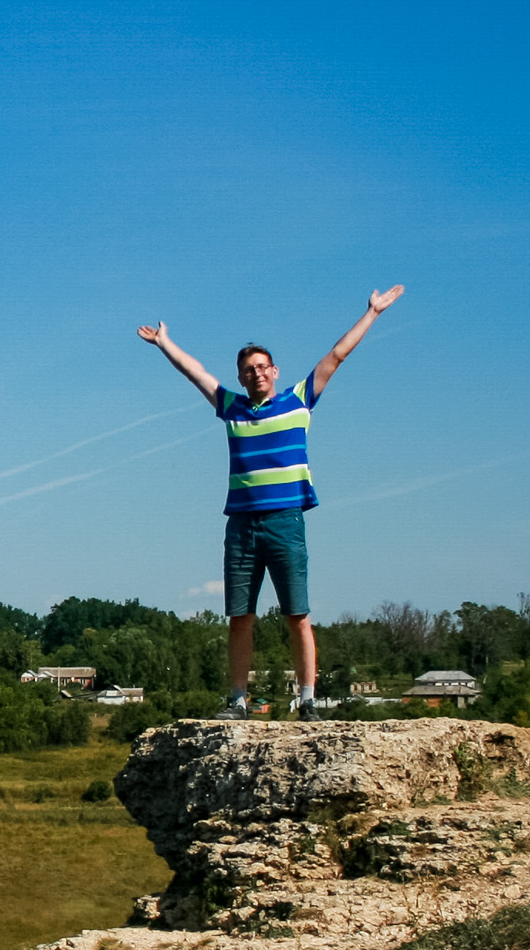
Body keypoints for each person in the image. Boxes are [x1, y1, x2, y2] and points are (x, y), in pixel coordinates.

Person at [138, 286, 404, 718]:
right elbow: (196, 373)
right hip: (241, 526)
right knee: (240, 617)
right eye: (248, 369)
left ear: (275, 371)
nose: (257, 374)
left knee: (297, 615)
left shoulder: (298, 400)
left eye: (262, 367)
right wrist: (165, 343)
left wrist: (371, 313)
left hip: (285, 521)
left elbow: (336, 356)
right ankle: (239, 701)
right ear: (241, 377)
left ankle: (307, 701)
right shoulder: (232, 407)